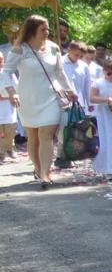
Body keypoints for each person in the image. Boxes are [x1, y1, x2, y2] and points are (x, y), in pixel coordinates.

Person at [0, 15, 76, 187]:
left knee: (46, 135)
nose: (47, 32)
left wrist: (71, 91)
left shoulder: (54, 48)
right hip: (27, 98)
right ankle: (38, 167)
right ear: (32, 30)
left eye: (47, 29)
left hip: (51, 97)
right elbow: (6, 72)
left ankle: (45, 174)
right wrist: (11, 92)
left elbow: (60, 72)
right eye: (43, 29)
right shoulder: (20, 49)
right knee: (33, 137)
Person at [0, 50, 16, 162]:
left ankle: (9, 148)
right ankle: (1, 154)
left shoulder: (9, 73)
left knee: (9, 133)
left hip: (8, 108)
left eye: (1, 60)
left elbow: (16, 88)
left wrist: (7, 97)